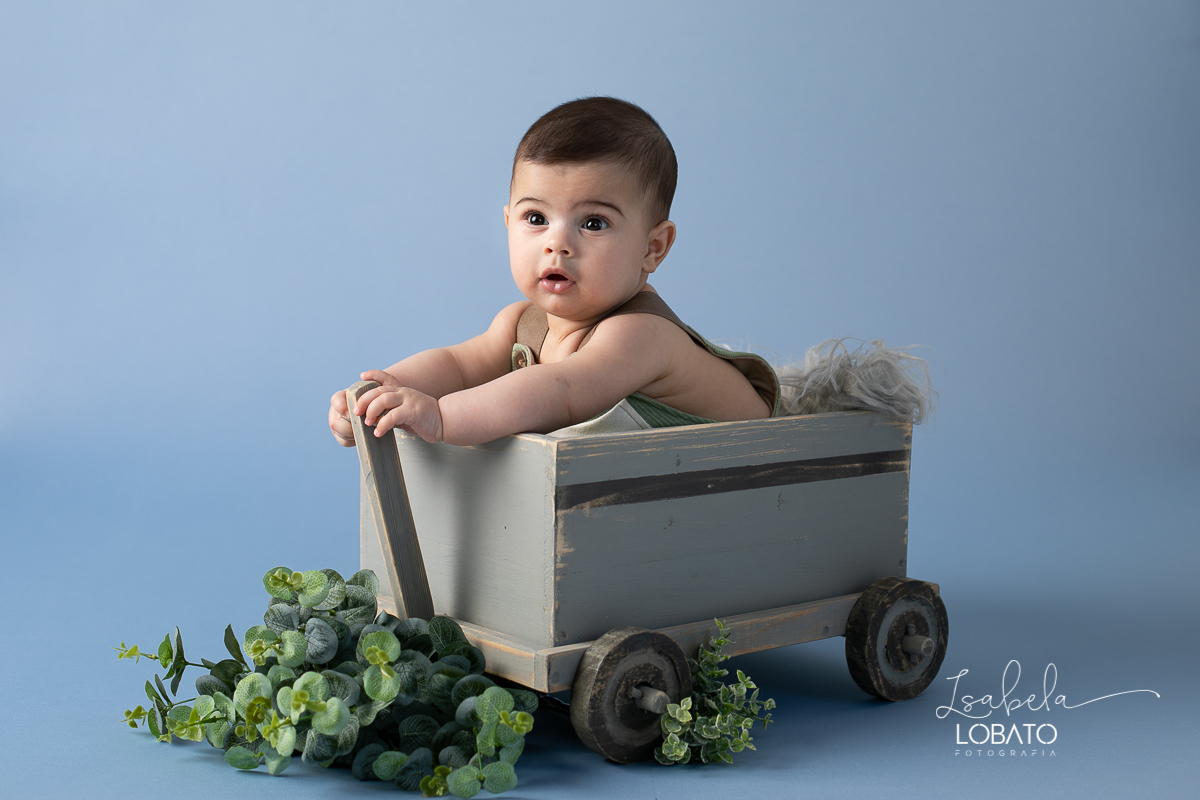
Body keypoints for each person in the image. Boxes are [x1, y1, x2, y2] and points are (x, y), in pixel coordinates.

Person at [328, 97, 779, 448]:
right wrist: (385, 391)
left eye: (594, 223)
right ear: (508, 223)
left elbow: (559, 390)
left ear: (652, 247)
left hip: (764, 463)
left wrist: (442, 418)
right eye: (536, 218)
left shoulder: (641, 335)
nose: (557, 243)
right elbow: (458, 364)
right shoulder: (521, 322)